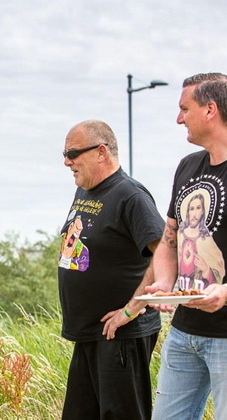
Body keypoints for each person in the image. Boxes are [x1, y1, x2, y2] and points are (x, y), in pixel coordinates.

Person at [147, 73, 227, 420]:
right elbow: (169, 241)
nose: (178, 118)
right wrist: (163, 283)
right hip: (184, 332)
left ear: (210, 110)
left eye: (184, 109)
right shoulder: (188, 167)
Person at [58, 120, 165, 419]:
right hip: (89, 334)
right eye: (64, 154)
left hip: (120, 334)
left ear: (101, 152)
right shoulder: (86, 191)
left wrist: (133, 307)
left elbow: (167, 252)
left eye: (74, 153)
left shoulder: (130, 195)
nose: (67, 162)